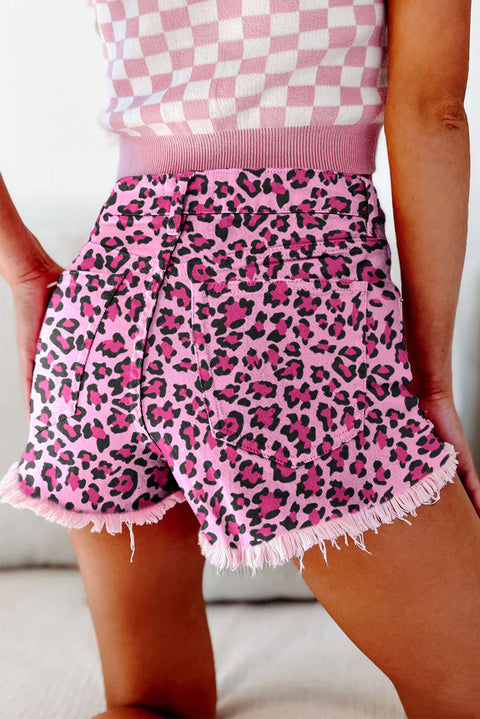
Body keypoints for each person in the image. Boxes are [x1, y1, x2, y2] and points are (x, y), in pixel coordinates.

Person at [0, 0, 479, 717]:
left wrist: (21, 268)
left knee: (155, 703)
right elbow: (431, 111)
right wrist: (430, 380)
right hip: (281, 311)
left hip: (103, 312)